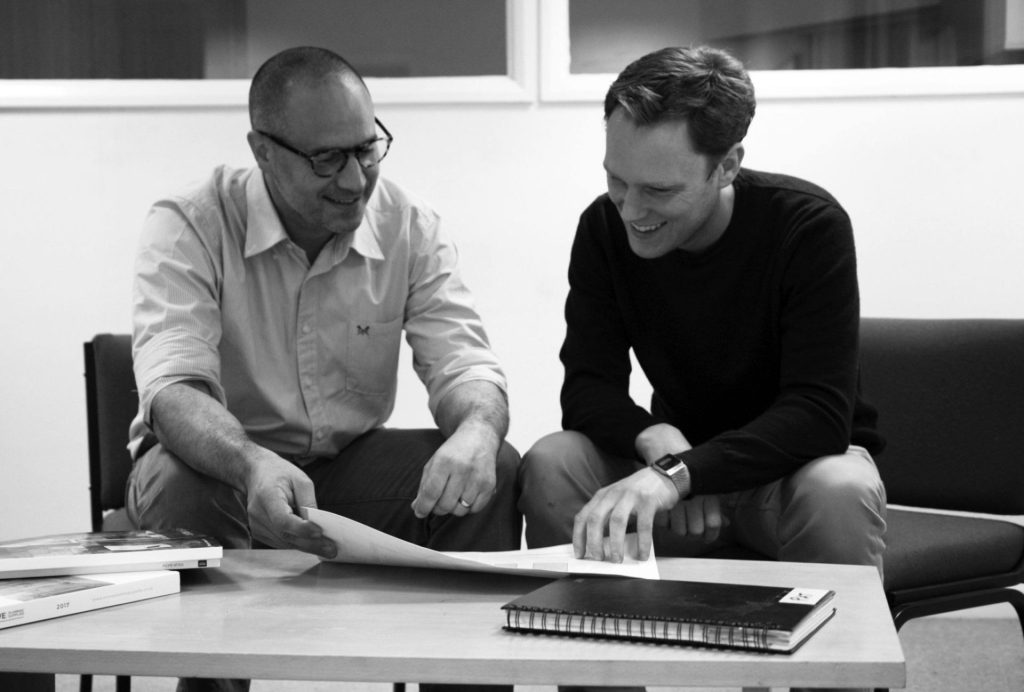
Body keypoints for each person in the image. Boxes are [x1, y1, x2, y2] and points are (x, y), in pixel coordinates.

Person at [127, 46, 520, 692]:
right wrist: (253, 465)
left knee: (494, 470)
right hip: (218, 472)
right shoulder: (190, 223)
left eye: (366, 149)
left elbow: (465, 362)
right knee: (185, 488)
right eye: (326, 160)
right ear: (262, 151)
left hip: (346, 471)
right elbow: (174, 391)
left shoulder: (408, 225)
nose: (354, 180)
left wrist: (478, 429)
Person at [519, 43, 886, 654]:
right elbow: (587, 389)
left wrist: (684, 474)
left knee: (839, 488)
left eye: (659, 190)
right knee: (555, 460)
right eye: (616, 179)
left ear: (727, 166)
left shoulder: (808, 226)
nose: (631, 210)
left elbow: (820, 416)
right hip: (675, 477)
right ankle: (596, 673)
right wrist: (657, 445)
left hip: (787, 481)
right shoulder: (603, 228)